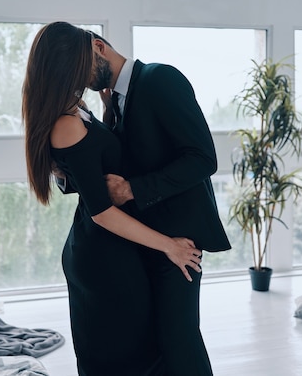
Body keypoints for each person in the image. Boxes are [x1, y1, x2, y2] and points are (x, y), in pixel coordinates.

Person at [22, 21, 204, 376]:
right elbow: (102, 212)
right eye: (76, 67)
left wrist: (108, 118)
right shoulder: (66, 122)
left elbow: (98, 164)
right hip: (103, 255)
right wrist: (168, 245)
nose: (84, 77)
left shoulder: (79, 111)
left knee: (137, 353)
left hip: (111, 251)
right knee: (119, 359)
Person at [86, 28, 232, 376]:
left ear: (99, 46)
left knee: (179, 340)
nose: (79, 80)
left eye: (79, 69)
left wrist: (133, 189)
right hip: (146, 238)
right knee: (156, 343)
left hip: (178, 239)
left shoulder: (159, 78)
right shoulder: (116, 100)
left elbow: (203, 158)